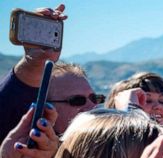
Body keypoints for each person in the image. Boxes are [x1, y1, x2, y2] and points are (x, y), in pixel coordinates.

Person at [0, 5, 104, 138]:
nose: (92, 106)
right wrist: (33, 65)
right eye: (77, 100)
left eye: (95, 98)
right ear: (44, 112)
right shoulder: (31, 155)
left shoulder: (107, 150)